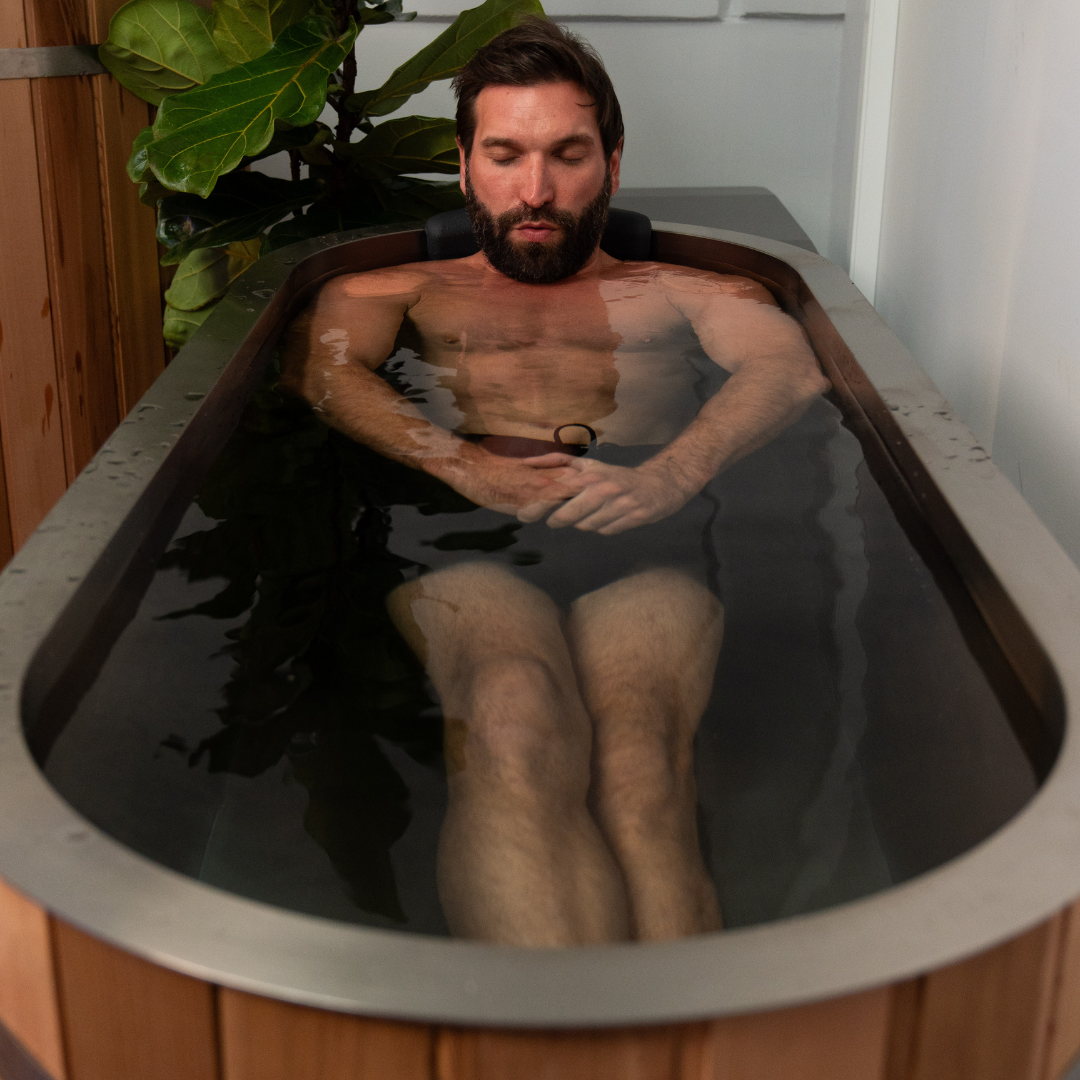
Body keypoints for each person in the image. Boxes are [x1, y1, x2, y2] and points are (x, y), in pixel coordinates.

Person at [281, 16, 829, 946]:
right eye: (505, 154)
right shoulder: (389, 290)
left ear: (612, 161)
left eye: (566, 154)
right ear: (464, 167)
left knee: (639, 758)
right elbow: (327, 376)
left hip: (640, 523)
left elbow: (789, 372)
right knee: (511, 720)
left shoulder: (690, 291)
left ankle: (672, 1038)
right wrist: (460, 464)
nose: (535, 190)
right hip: (465, 529)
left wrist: (672, 473)